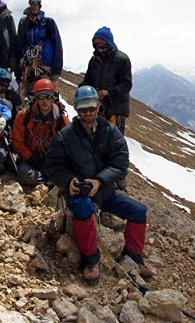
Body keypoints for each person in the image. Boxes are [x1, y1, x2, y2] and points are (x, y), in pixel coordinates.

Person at [45, 85, 154, 284]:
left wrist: (100, 180)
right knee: (84, 209)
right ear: (77, 110)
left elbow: (120, 161)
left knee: (139, 211)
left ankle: (134, 255)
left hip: (105, 191)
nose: (88, 114)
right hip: (79, 193)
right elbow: (52, 166)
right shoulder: (65, 136)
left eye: (91, 108)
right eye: (83, 109)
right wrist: (69, 181)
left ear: (98, 107)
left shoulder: (110, 132)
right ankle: (90, 258)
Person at [11, 79, 69, 188]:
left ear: (53, 98)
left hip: (54, 160)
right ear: (35, 98)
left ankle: (50, 178)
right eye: (40, 97)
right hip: (31, 160)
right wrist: (32, 158)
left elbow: (69, 144)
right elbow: (17, 141)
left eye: (48, 96)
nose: (44, 101)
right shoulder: (24, 116)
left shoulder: (61, 119)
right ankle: (52, 180)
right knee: (24, 174)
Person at [80, 26, 132, 135]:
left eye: (103, 47)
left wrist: (108, 93)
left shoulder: (122, 60)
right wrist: (82, 90)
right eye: (97, 47)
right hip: (97, 107)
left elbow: (126, 85)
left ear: (109, 44)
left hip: (116, 109)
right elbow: (88, 80)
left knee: (114, 141)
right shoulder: (94, 60)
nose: (100, 50)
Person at [16, 0, 63, 98]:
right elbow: (20, 44)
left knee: (45, 97)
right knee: (26, 98)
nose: (33, 6)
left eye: (35, 4)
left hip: (45, 68)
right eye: (31, 3)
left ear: (39, 5)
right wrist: (18, 67)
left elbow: (57, 46)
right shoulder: (24, 23)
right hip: (28, 68)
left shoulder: (48, 23)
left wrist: (56, 71)